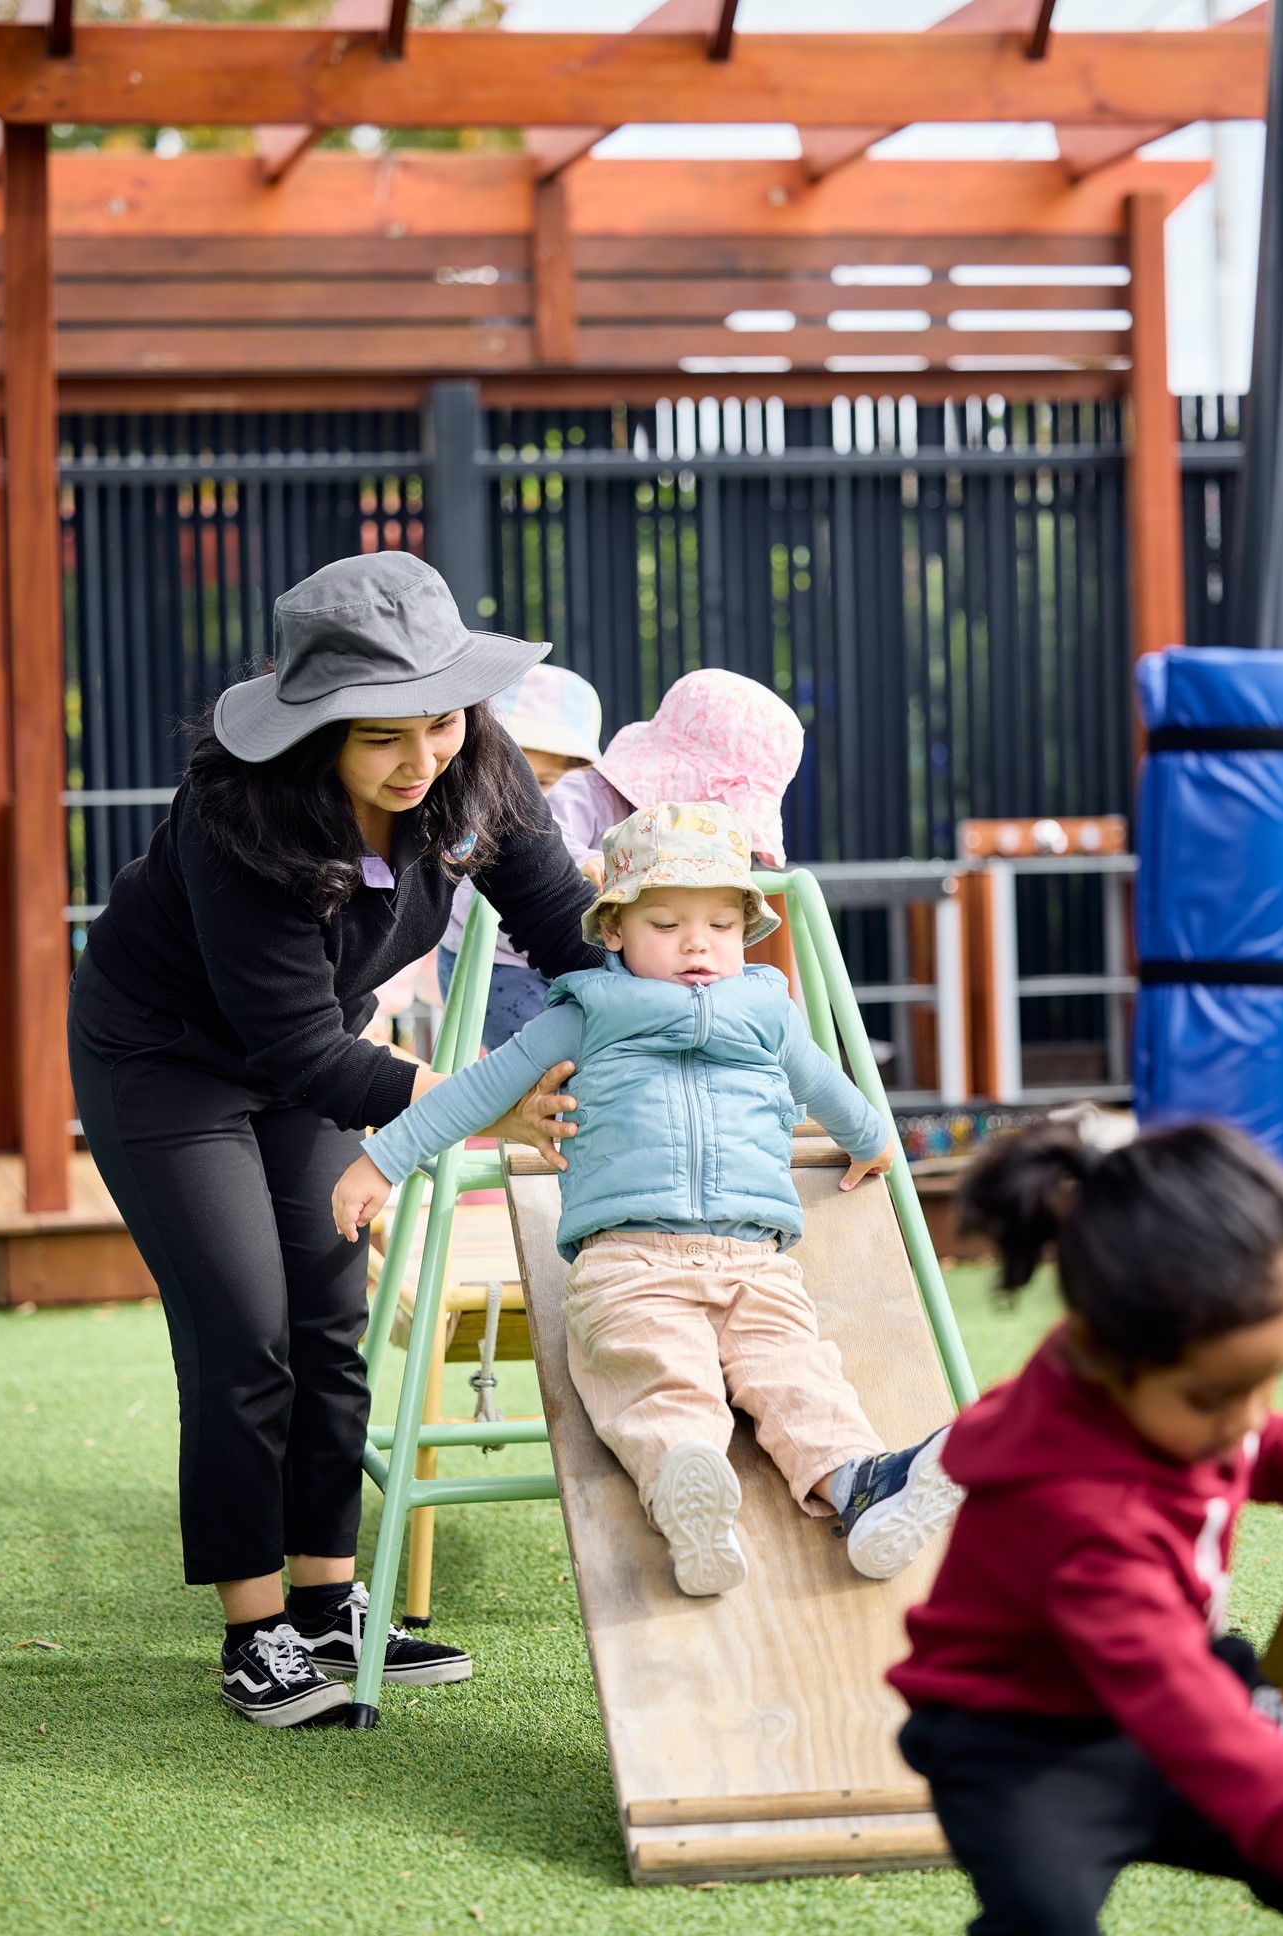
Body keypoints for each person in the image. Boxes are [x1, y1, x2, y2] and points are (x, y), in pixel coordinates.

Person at [67, 553, 604, 1728]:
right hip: (166, 1062)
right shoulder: (237, 814)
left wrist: (673, 994)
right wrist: (484, 1099)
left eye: (439, 721)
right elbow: (302, 1048)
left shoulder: (476, 768)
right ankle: (253, 1632)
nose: (422, 760)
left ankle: (325, 1605)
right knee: (243, 1327)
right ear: (316, 729)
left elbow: (565, 927)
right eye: (382, 738)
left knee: (326, 1316)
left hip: (308, 1061)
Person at [333, 802, 960, 1597]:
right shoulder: (584, 1014)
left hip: (754, 1261)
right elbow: (475, 1092)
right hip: (630, 1260)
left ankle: (859, 1485)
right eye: (666, 924)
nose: (697, 944)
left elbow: (825, 1085)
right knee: (657, 1374)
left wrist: (872, 1137)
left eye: (721, 927)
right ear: (616, 930)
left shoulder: (768, 1012)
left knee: (799, 1374)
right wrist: (382, 1160)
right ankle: (688, 1492)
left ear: (745, 932)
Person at [890, 1120, 1283, 1936]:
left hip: (1163, 1681)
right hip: (1022, 1745)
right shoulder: (1083, 1520)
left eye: (1269, 1378)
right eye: (1217, 1395)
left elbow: (1256, 1447)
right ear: (1108, 1357)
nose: (1246, 1416)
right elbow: (1180, 1703)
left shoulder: (1159, 1387)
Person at [438, 666, 807, 1050]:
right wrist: (583, 860)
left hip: (599, 957)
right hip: (503, 962)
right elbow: (541, 834)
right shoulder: (590, 793)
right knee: (548, 1057)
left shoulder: (687, 842)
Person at [437, 662, 603, 1048]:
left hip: (553, 951)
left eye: (543, 782)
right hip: (490, 968)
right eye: (512, 775)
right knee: (541, 1062)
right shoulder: (472, 816)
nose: (527, 794)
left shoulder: (574, 807)